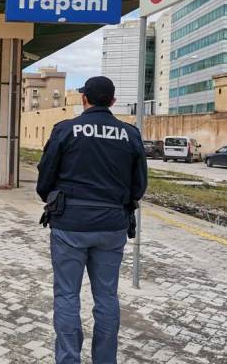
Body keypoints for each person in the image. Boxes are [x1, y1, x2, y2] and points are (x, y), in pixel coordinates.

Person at [36, 76, 147, 364]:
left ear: (84, 99)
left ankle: (69, 360)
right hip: (112, 226)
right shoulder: (130, 134)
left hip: (70, 225)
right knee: (107, 297)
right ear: (112, 101)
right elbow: (139, 187)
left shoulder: (65, 130)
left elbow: (44, 180)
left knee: (67, 296)